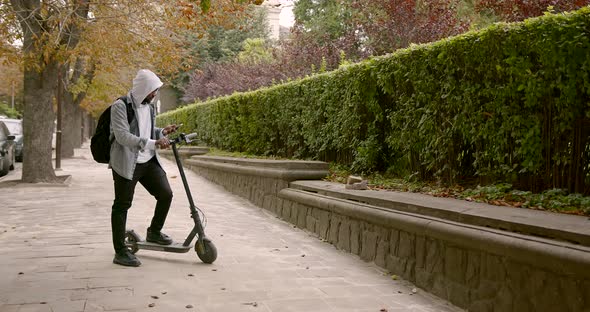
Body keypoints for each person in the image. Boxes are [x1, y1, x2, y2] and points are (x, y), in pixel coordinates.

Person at [109, 69, 179, 267]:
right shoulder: (120, 106)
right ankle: (120, 251)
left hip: (148, 161)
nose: (154, 94)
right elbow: (123, 136)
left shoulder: (149, 107)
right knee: (122, 205)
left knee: (166, 194)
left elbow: (148, 132)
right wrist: (154, 143)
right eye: (152, 90)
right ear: (143, 89)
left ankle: (154, 232)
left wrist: (162, 131)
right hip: (126, 163)